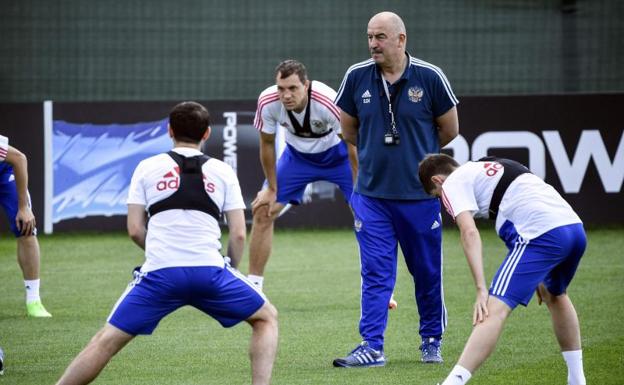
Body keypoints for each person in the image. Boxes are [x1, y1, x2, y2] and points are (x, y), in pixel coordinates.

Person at [55, 102, 278, 385]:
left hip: (159, 274)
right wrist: (227, 271)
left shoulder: (147, 167)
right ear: (207, 133)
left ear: (169, 131)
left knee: (105, 340)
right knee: (266, 318)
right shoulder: (222, 171)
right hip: (210, 273)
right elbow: (238, 234)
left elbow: (135, 229)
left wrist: (163, 252)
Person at [332, 11, 459, 367]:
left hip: (419, 197)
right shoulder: (356, 76)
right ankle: (372, 345)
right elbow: (349, 131)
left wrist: (416, 156)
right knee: (375, 272)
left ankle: (431, 339)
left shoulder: (430, 77)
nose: (373, 43)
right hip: (372, 197)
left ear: (401, 39)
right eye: (370, 36)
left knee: (427, 271)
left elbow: (449, 129)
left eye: (381, 37)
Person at [418, 153, 587, 385]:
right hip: (574, 228)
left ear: (438, 181)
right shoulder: (491, 165)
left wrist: (480, 289)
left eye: (437, 195)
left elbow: (469, 232)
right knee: (555, 295)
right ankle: (577, 381)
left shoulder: (452, 183)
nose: (442, 199)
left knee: (492, 309)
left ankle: (452, 383)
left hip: (541, 234)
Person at [247, 59, 357, 291]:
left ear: (306, 85)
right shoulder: (268, 102)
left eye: (293, 88)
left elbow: (352, 146)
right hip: (297, 158)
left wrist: (360, 186)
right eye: (281, 88)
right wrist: (272, 188)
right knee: (262, 210)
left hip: (339, 157)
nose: (286, 95)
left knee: (367, 215)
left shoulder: (329, 101)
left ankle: (379, 288)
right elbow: (266, 144)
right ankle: (253, 288)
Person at [0, 135, 51, 317]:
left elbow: (19, 158)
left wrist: (23, 208)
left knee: (25, 228)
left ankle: (33, 300)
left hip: (4, 173)